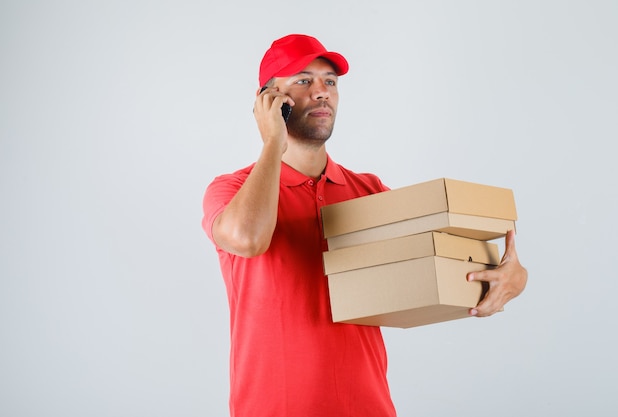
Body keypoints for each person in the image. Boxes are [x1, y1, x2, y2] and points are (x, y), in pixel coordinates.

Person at [202, 34, 527, 417]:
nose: (322, 92)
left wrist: (514, 277)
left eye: (330, 82)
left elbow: (441, 263)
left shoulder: (369, 192)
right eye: (303, 81)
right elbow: (249, 239)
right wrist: (272, 141)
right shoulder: (233, 190)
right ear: (268, 100)